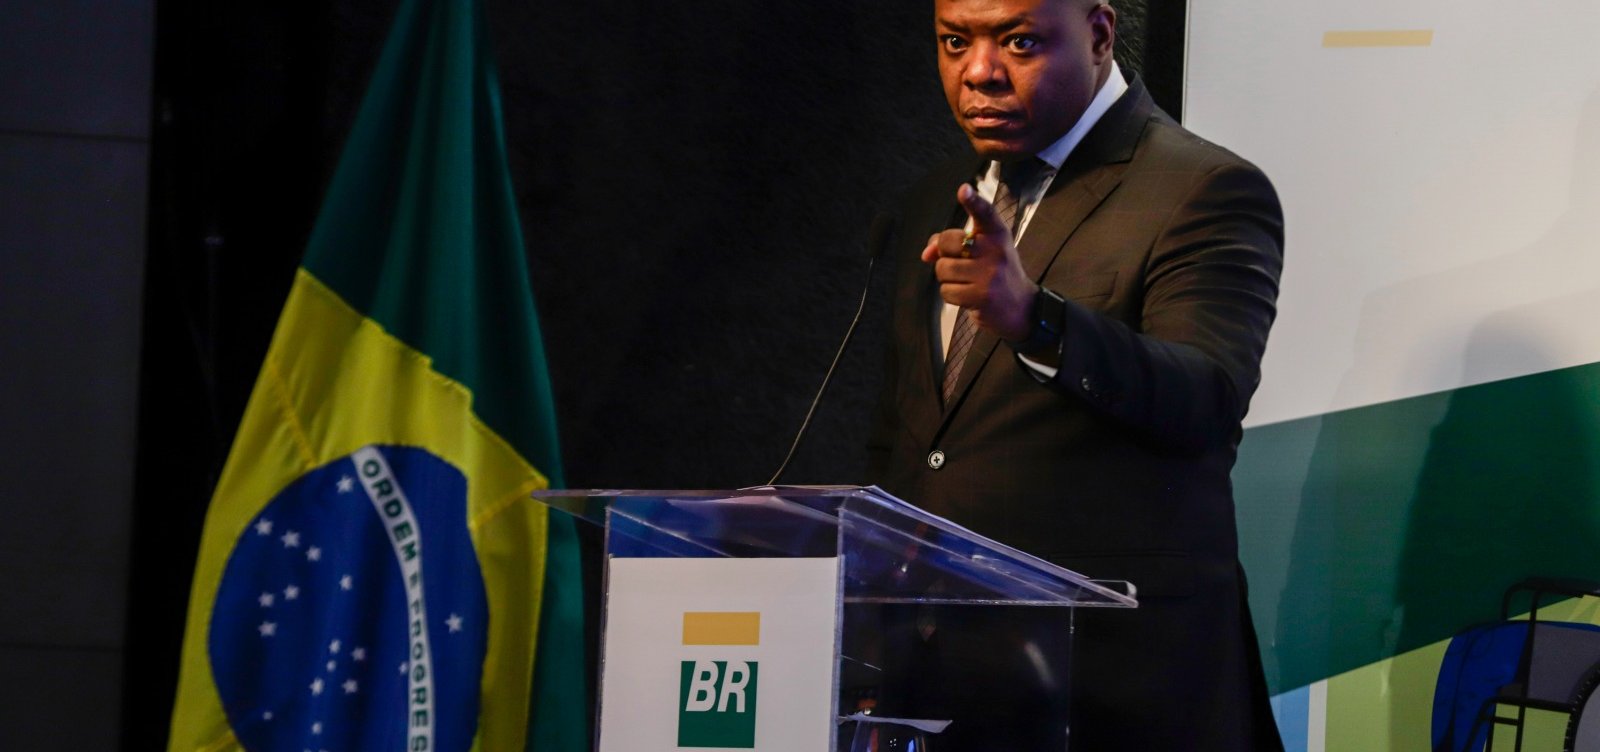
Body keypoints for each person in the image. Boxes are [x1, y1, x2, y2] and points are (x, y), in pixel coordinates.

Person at [863, 0, 1285, 748]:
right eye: (954, 41)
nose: (979, 72)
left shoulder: (1204, 187)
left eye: (1019, 41)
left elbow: (1206, 397)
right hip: (942, 682)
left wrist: (1036, 319)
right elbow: (916, 439)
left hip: (1117, 688)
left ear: (1098, 34)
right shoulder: (934, 198)